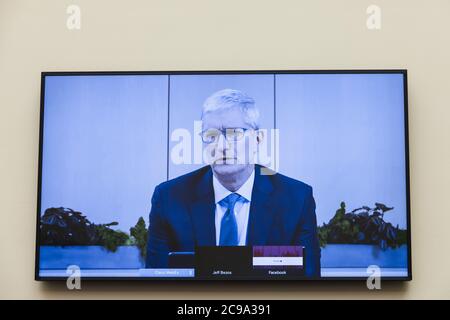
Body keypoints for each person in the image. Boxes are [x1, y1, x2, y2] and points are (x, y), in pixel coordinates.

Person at [146, 89, 321, 277]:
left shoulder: (295, 198)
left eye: (234, 134)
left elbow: (308, 283)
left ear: (257, 139)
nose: (221, 146)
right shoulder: (169, 198)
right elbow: (157, 285)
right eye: (211, 136)